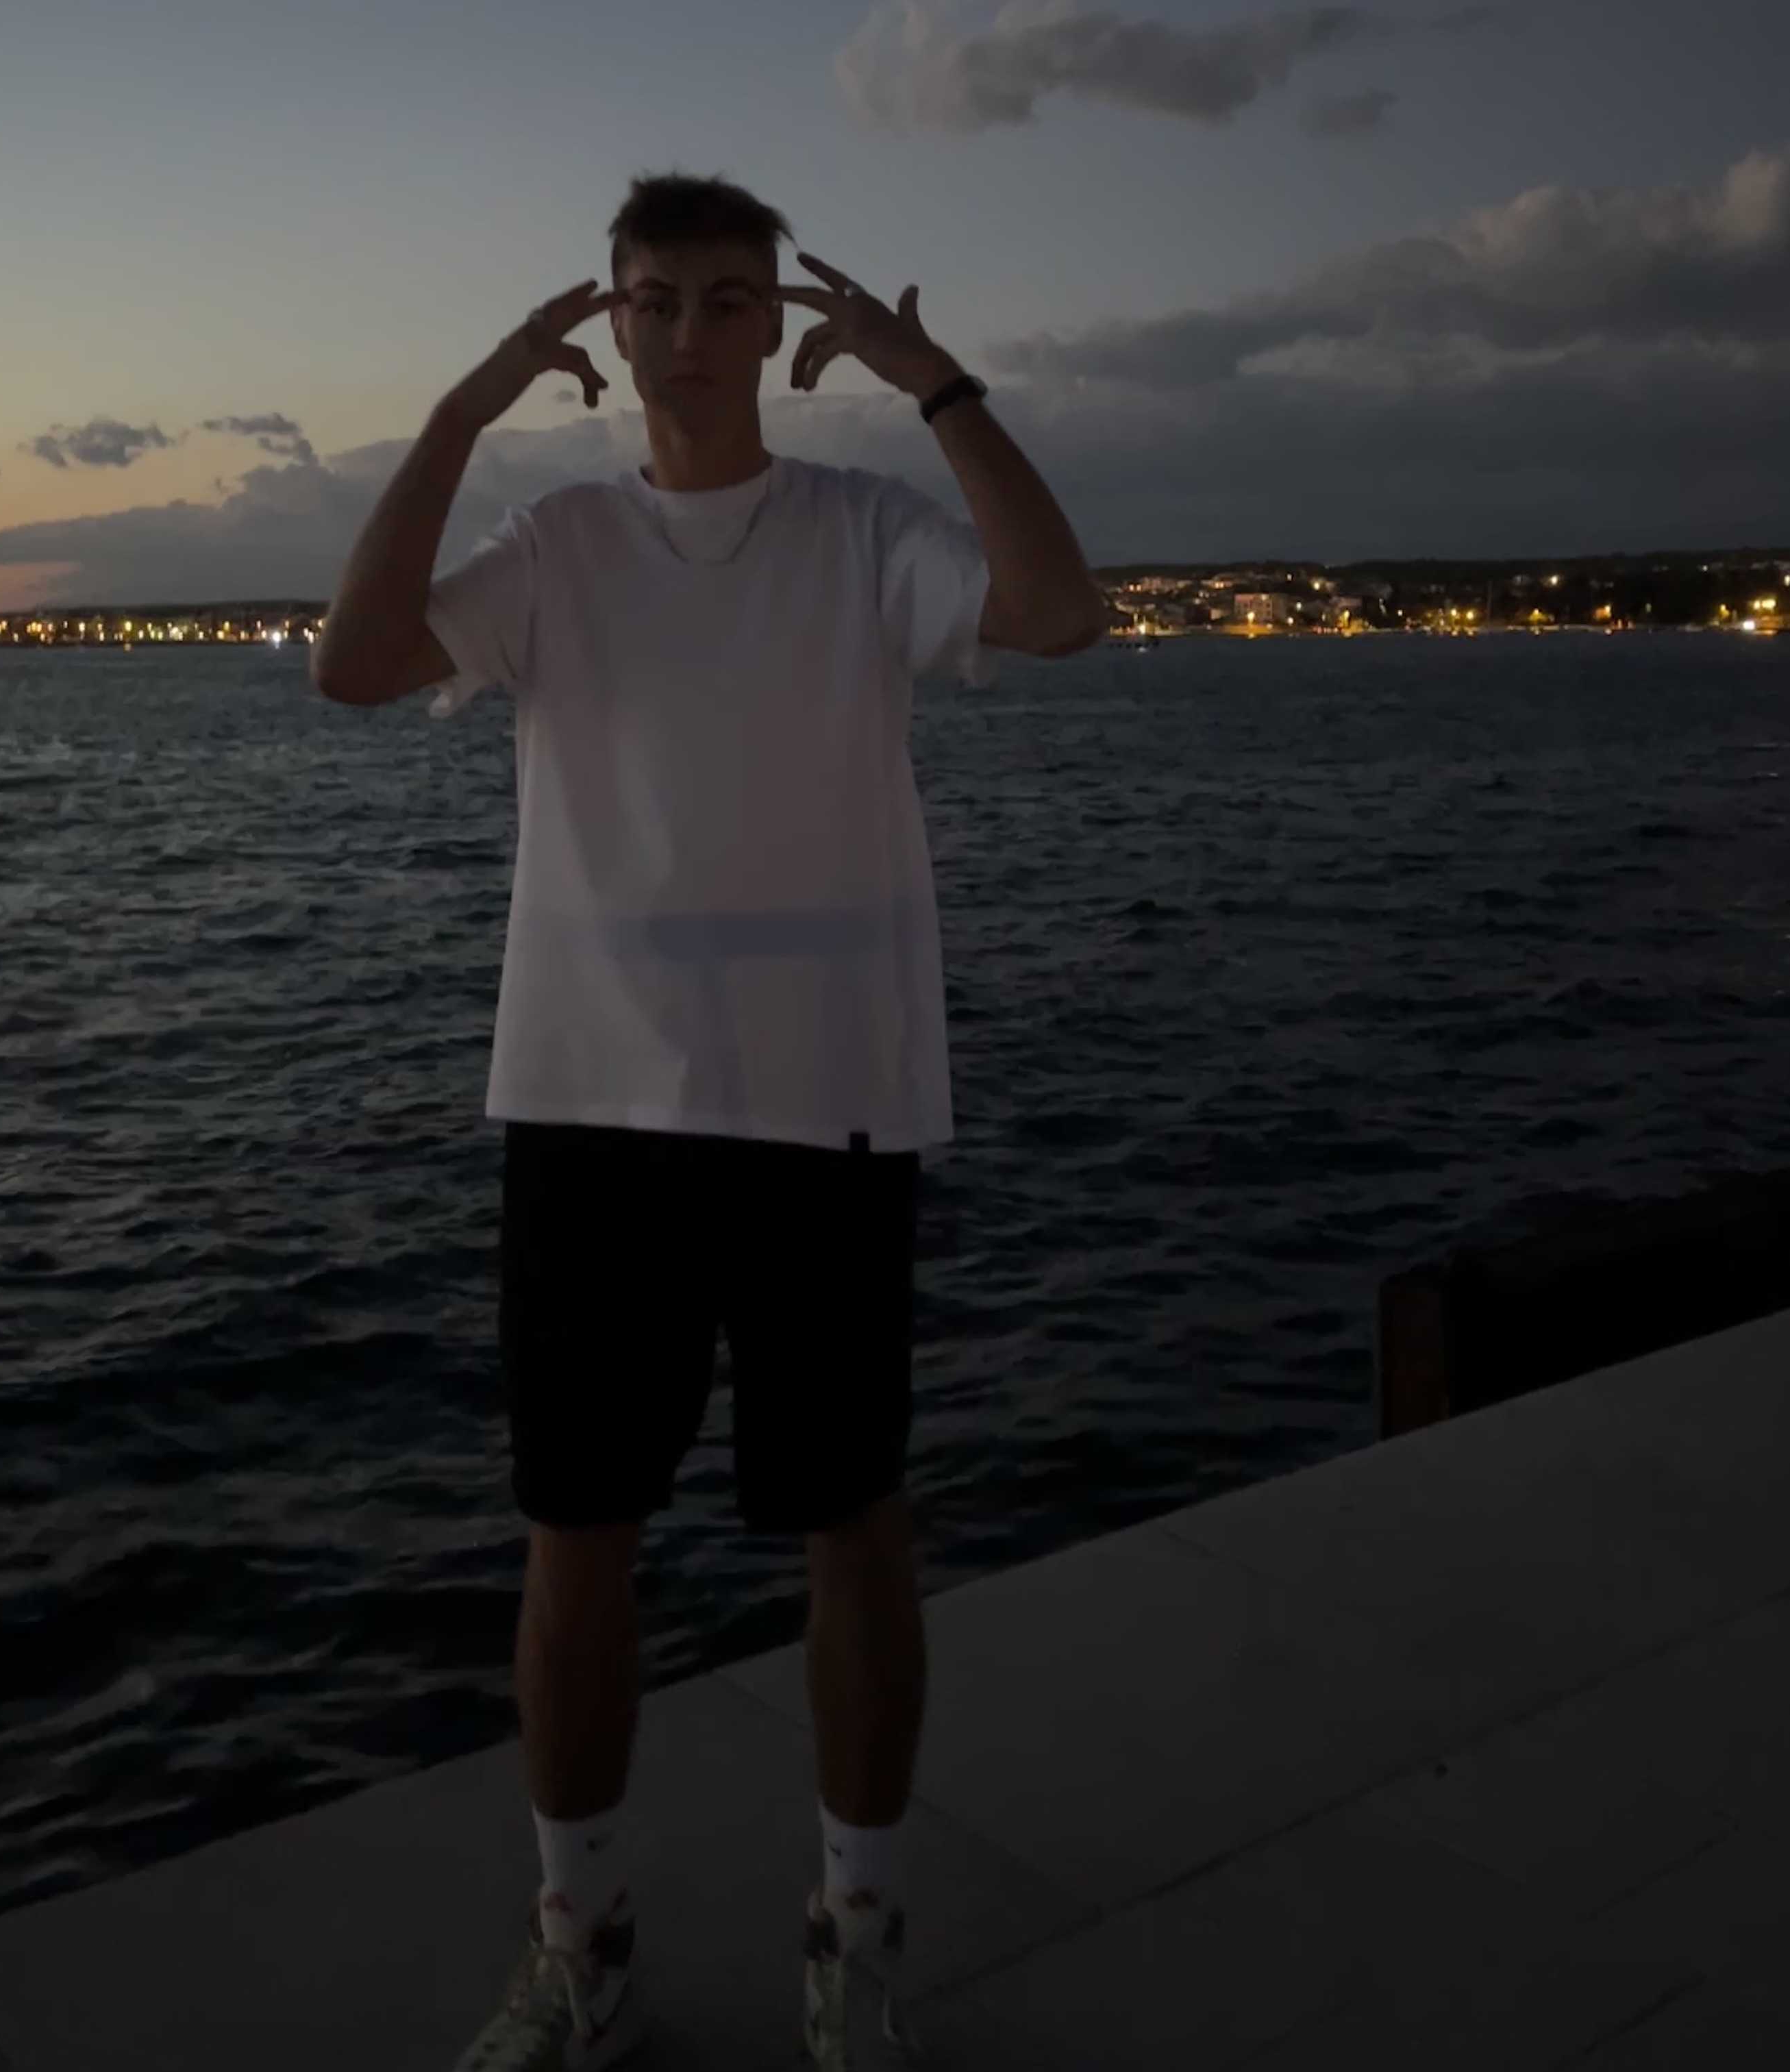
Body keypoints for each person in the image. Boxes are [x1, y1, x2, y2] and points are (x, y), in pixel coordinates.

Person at [310, 171, 1105, 2070]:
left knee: (855, 1528)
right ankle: (580, 1948)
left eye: (726, 299)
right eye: (652, 300)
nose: (686, 334)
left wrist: (936, 384)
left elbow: (1062, 612)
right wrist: (463, 407)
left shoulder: (861, 532)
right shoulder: (558, 545)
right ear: (610, 321)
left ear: (774, 326)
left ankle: (857, 1936)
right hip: (591, 1109)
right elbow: (356, 663)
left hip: (830, 1107)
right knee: (578, 1535)